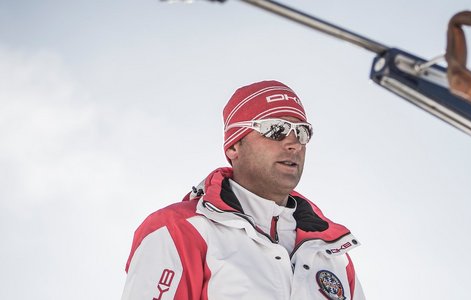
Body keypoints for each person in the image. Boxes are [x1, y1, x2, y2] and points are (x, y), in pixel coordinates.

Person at [122, 80, 365, 300]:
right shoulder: (179, 230)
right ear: (234, 147)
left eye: (302, 132)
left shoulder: (332, 255)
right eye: (275, 129)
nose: (293, 144)